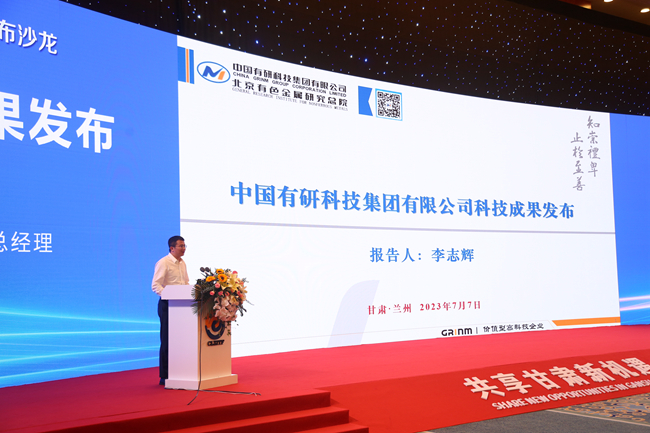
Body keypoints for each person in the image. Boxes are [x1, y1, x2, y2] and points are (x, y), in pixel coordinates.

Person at [152, 235, 189, 386]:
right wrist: (170, 296)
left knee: (181, 340)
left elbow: (185, 283)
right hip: (167, 305)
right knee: (167, 340)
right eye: (181, 246)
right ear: (172, 248)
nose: (184, 248)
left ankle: (180, 371)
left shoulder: (182, 263)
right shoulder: (163, 262)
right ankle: (165, 375)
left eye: (185, 246)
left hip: (182, 306)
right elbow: (156, 285)